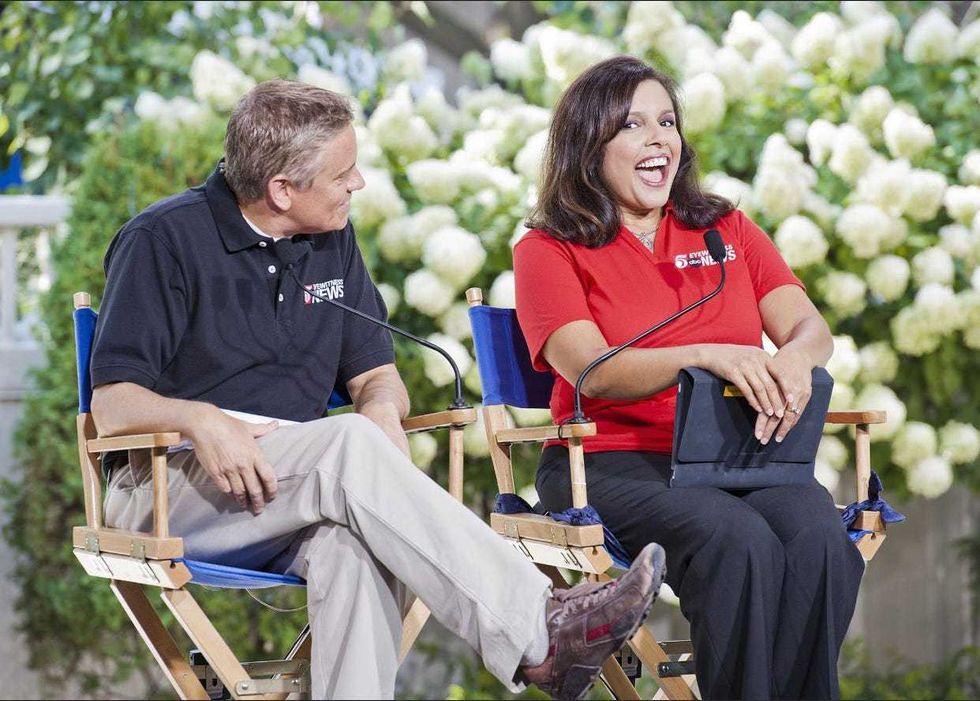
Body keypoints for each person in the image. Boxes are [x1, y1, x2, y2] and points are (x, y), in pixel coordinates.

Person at [90, 79, 665, 701]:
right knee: (347, 447)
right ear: (281, 190)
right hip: (169, 486)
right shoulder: (162, 241)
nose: (358, 183)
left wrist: (383, 410)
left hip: (299, 489)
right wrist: (202, 422)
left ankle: (535, 639)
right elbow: (111, 403)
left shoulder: (331, 237)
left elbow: (375, 376)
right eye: (344, 174)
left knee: (352, 546)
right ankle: (541, 633)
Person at [513, 56, 865, 701]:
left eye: (667, 122)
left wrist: (795, 358)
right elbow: (593, 369)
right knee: (738, 542)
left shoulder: (724, 227)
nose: (658, 140)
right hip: (608, 461)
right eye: (633, 125)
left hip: (734, 458)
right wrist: (707, 355)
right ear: (589, 146)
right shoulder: (548, 248)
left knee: (821, 538)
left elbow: (809, 329)